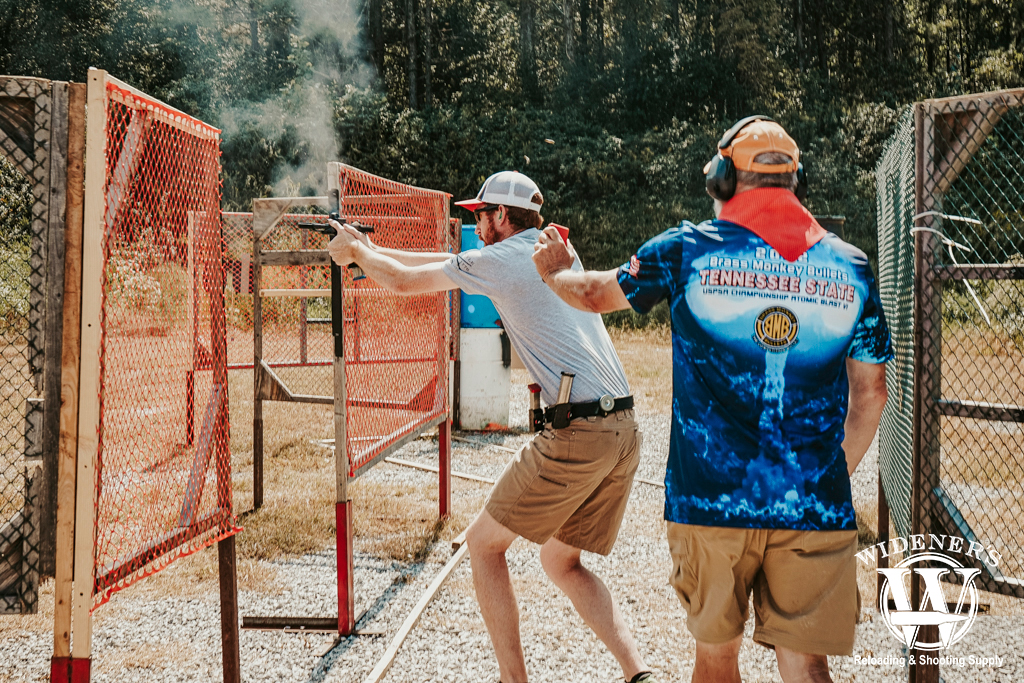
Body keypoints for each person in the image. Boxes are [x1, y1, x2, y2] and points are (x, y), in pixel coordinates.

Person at [532, 117, 892, 683]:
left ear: (723, 178)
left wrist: (554, 272)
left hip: (708, 504)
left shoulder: (687, 253)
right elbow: (871, 393)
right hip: (813, 506)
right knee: (807, 665)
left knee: (717, 660)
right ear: (797, 182)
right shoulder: (850, 267)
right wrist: (827, 474)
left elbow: (595, 293)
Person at [326, 171, 655, 683]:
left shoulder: (501, 260)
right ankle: (641, 674)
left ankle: (513, 681)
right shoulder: (551, 252)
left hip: (579, 430)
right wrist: (370, 247)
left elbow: (407, 282)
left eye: (480, 214)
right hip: (623, 429)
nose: (474, 223)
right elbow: (440, 264)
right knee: (560, 561)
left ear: (501, 216)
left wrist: (359, 257)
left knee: (483, 545)